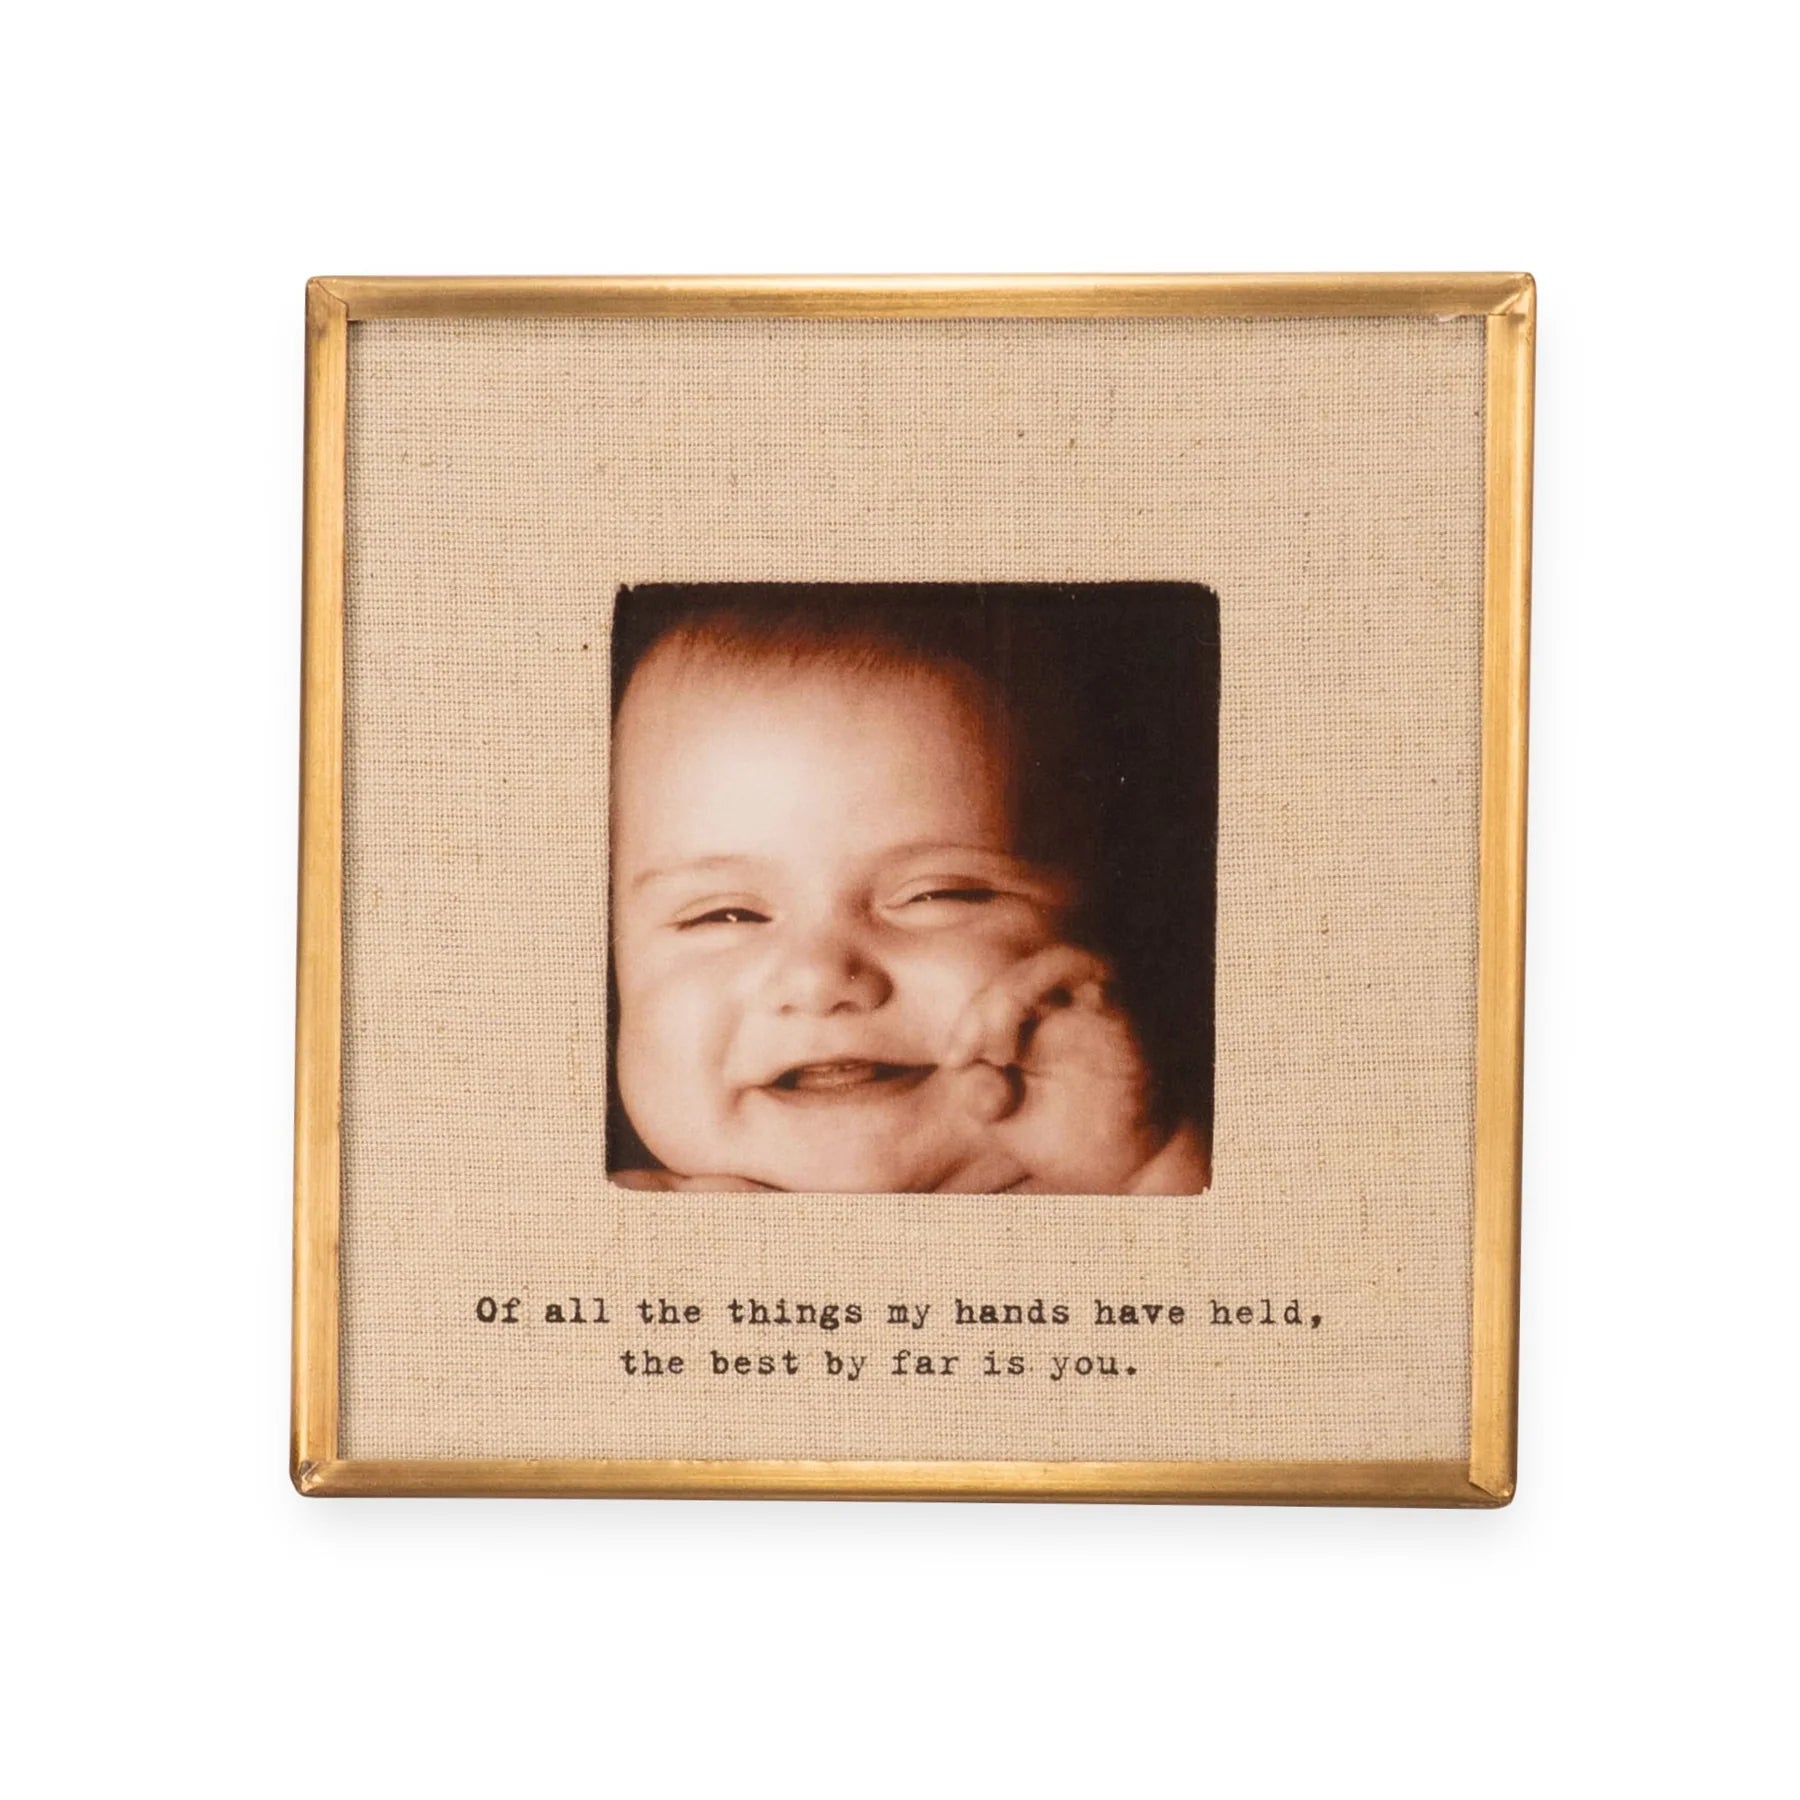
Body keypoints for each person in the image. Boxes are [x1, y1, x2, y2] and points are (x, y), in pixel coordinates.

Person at [606, 586, 1213, 1194]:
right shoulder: (600, 1226)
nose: (821, 978)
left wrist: (1150, 1169)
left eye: (936, 895)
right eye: (725, 914)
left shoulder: (1127, 1192)